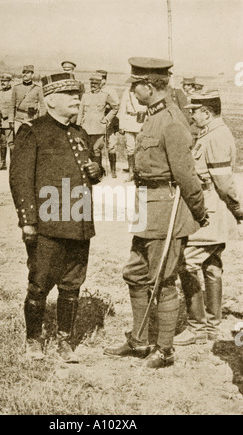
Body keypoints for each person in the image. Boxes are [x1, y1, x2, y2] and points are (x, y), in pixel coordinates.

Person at [104, 57, 208, 369]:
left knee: (162, 280)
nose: (133, 89)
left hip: (166, 209)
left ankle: (165, 350)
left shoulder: (171, 121)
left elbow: (186, 175)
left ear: (150, 86)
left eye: (136, 84)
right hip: (145, 209)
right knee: (135, 274)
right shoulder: (152, 117)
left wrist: (200, 212)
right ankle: (140, 341)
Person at [9, 72, 103, 363]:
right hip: (47, 224)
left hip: (79, 222)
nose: (77, 99)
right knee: (39, 283)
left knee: (72, 285)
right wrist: (27, 221)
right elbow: (20, 179)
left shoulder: (80, 133)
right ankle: (33, 340)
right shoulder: (32, 130)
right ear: (50, 101)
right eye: (70, 95)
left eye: (78, 94)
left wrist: (97, 171)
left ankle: (64, 341)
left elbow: (93, 170)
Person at [174, 91, 243, 346]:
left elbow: (224, 183)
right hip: (212, 210)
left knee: (187, 263)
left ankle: (198, 327)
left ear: (207, 112)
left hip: (210, 212)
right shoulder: (210, 133)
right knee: (211, 266)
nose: (191, 115)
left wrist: (238, 209)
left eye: (195, 110)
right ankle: (211, 326)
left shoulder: (216, 136)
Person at [77, 72, 119, 173]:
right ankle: (87, 171)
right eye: (92, 84)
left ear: (100, 84)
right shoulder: (85, 95)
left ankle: (99, 171)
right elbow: (80, 111)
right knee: (86, 149)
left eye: (96, 84)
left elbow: (115, 107)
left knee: (96, 149)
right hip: (85, 127)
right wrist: (78, 125)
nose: (93, 86)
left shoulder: (105, 95)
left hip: (98, 127)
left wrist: (107, 119)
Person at [118, 88, 146, 181]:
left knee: (141, 149)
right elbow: (122, 109)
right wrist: (121, 125)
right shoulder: (126, 92)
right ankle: (131, 173)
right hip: (129, 122)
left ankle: (140, 172)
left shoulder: (145, 90)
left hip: (142, 122)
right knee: (130, 149)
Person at [96, 69, 120, 178]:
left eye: (100, 79)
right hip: (97, 122)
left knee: (111, 145)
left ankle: (113, 170)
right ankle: (100, 170)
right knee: (98, 145)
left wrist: (107, 108)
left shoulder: (110, 91)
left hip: (109, 122)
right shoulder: (94, 91)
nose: (98, 82)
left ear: (104, 80)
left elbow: (116, 106)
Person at [8, 65, 46, 133]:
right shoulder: (16, 88)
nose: (25, 74)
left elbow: (43, 106)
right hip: (18, 119)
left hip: (32, 119)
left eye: (27, 73)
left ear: (32, 75)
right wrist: (11, 120)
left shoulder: (38, 89)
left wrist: (41, 121)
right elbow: (12, 105)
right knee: (18, 140)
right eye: (23, 72)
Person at [0, 73, 14, 170]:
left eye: (5, 81)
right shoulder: (0, 92)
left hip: (9, 121)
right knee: (2, 143)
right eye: (2, 81)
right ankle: (3, 163)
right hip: (0, 121)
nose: (3, 83)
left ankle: (13, 165)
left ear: (9, 82)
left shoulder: (13, 92)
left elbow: (15, 107)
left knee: (11, 144)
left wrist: (9, 118)